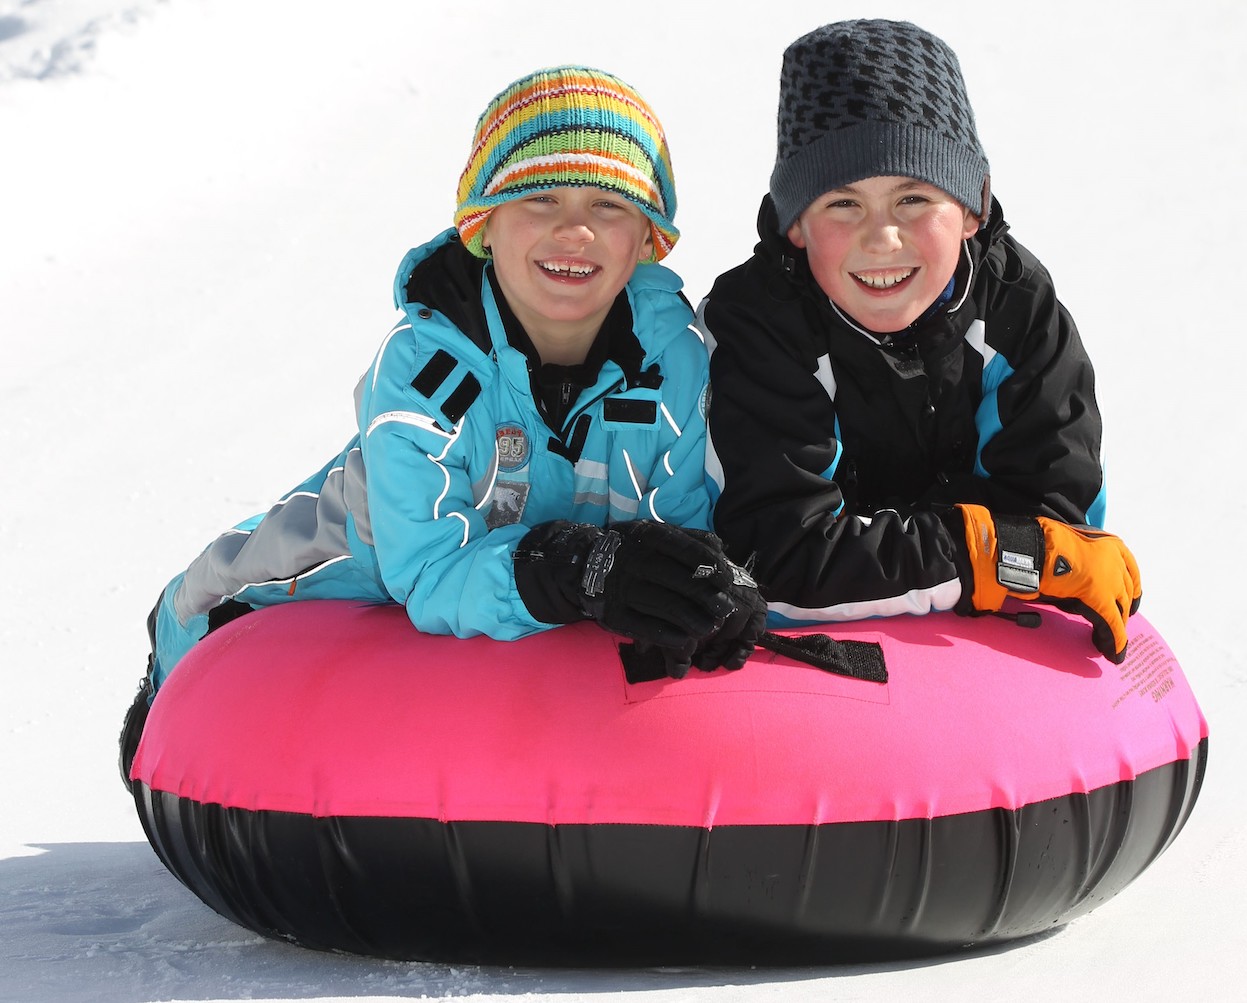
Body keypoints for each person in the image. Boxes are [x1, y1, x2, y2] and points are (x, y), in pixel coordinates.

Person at [121, 66, 766, 783]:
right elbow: (426, 571)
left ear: (648, 237)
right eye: (539, 196)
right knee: (210, 611)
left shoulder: (673, 357)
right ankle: (168, 645)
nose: (574, 229)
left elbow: (676, 518)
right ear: (483, 224)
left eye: (609, 205)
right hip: (330, 577)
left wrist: (698, 582)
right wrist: (574, 567)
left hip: (511, 592)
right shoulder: (425, 364)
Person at [699, 20, 1140, 664]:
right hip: (799, 655)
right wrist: (987, 554)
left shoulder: (1018, 308)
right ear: (795, 226)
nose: (882, 240)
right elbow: (775, 554)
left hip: (966, 647)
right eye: (842, 205)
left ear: (971, 209)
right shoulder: (757, 324)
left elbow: (1055, 516)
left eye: (913, 197)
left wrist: (998, 555)